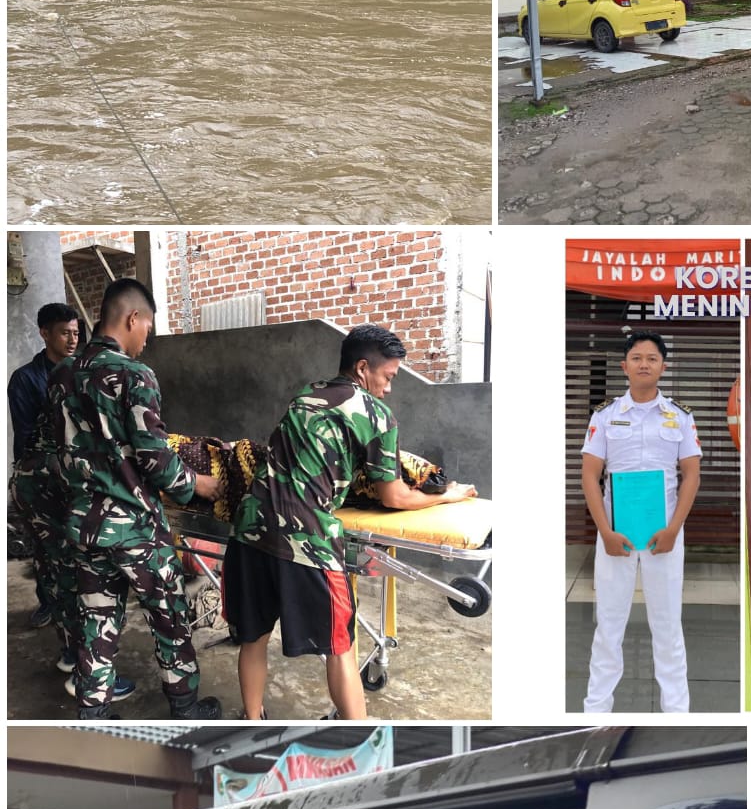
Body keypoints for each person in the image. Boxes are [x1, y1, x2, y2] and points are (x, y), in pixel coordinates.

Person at [225, 324, 476, 720]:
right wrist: (446, 494)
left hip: (249, 528)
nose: (390, 387)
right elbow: (393, 495)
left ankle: (252, 716)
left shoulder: (306, 395)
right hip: (305, 539)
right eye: (388, 376)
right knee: (340, 645)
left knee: (253, 637)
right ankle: (357, 731)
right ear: (363, 368)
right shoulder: (376, 415)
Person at [53, 279, 224, 719]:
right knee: (169, 618)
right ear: (133, 319)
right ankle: (185, 710)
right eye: (148, 326)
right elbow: (153, 457)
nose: (147, 337)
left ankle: (94, 713)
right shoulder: (134, 374)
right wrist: (197, 485)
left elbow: (60, 449)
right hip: (135, 529)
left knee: (96, 621)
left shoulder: (62, 375)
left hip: (84, 525)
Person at [580, 331, 702, 712]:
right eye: (636, 357)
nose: (644, 363)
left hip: (663, 535)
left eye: (652, 358)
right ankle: (596, 708)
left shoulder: (680, 417)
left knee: (667, 626)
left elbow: (691, 476)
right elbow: (589, 476)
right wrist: (605, 532)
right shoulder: (605, 416)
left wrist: (674, 529)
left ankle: (677, 711)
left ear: (663, 367)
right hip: (616, 535)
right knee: (609, 626)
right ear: (624, 366)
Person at [8, 301, 80, 629]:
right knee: (45, 546)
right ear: (45, 333)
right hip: (39, 475)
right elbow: (25, 436)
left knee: (72, 546)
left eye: (76, 333)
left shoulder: (82, 373)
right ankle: (48, 602)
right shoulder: (25, 379)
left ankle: (72, 605)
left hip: (76, 472)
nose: (72, 339)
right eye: (64, 333)